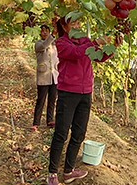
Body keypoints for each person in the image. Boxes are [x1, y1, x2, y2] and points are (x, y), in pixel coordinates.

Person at [46, 16, 112, 185]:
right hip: (68, 92)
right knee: (61, 132)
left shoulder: (85, 40)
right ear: (64, 26)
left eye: (78, 22)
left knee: (79, 133)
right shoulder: (61, 43)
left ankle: (68, 171)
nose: (77, 25)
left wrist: (111, 47)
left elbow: (98, 57)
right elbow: (76, 53)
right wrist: (95, 42)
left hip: (85, 92)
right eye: (72, 23)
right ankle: (52, 173)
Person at [32, 24, 58, 131]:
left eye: (47, 31)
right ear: (40, 33)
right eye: (43, 31)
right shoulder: (39, 44)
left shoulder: (55, 44)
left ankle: (49, 120)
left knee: (52, 100)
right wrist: (53, 34)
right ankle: (36, 123)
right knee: (41, 100)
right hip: (43, 76)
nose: (45, 33)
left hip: (54, 76)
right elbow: (44, 45)